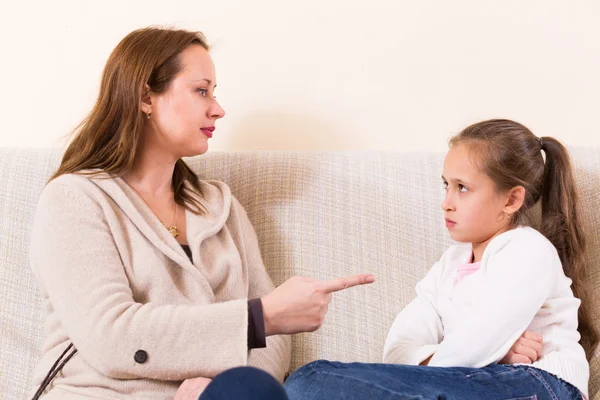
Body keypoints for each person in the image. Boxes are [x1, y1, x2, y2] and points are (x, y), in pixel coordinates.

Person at [29, 27, 374, 400]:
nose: (218, 109)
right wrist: (260, 317)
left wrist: (219, 386)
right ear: (146, 96)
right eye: (201, 91)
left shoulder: (220, 209)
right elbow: (111, 335)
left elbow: (271, 345)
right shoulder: (74, 199)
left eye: (214, 93)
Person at [284, 119, 598, 400]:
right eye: (446, 185)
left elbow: (480, 340)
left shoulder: (528, 251)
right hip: (475, 379)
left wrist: (483, 353)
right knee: (308, 380)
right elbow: (397, 350)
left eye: (462, 188)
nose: (446, 203)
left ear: (512, 199)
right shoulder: (449, 265)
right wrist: (496, 354)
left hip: (541, 383)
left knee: (311, 382)